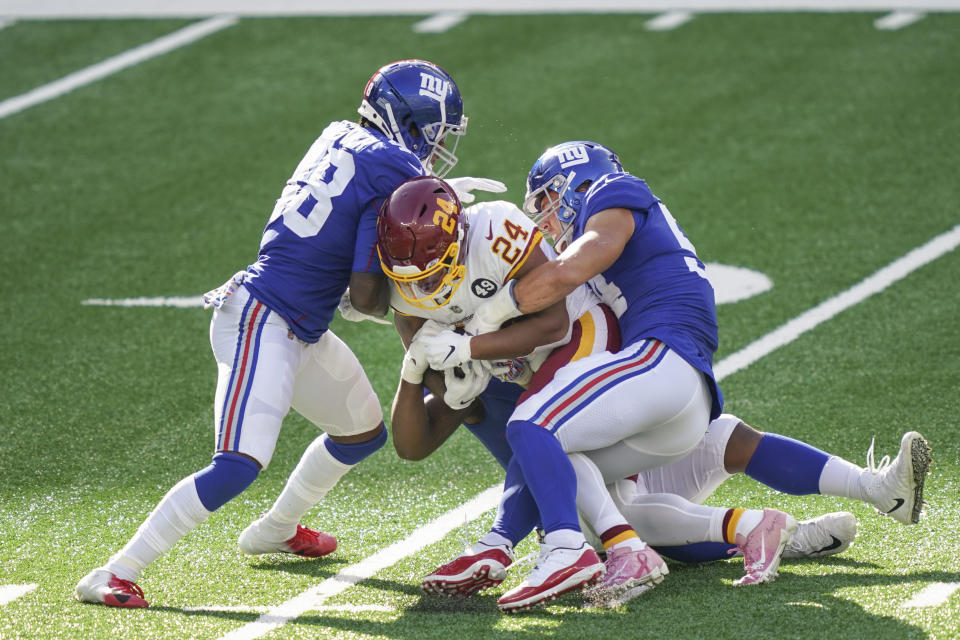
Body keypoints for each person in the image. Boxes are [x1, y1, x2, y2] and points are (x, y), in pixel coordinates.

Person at [74, 59, 476, 608]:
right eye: (438, 129)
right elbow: (364, 297)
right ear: (413, 120)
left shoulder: (341, 135)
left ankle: (278, 528)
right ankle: (114, 571)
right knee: (238, 465)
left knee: (362, 433)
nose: (440, 143)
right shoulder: (393, 167)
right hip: (262, 319)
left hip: (297, 323)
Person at [412, 141, 794, 612]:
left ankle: (561, 549)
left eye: (549, 199)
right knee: (572, 466)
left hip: (652, 355)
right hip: (668, 386)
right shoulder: (591, 233)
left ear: (579, 181)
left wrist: (482, 325)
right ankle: (638, 545)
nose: (547, 220)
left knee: (532, 424)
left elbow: (570, 273)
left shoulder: (611, 192)